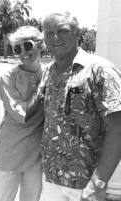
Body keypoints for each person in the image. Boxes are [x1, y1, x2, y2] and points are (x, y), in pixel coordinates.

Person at [28, 11, 121, 201]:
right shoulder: (49, 71)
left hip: (86, 185)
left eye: (62, 31)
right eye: (49, 33)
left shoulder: (99, 70)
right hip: (52, 179)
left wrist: (99, 183)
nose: (55, 37)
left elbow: (118, 127)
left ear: (77, 33)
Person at [0, 26, 44, 201]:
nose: (23, 52)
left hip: (36, 154)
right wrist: (42, 88)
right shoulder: (8, 76)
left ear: (40, 45)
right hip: (10, 149)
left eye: (27, 45)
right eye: (17, 48)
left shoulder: (50, 73)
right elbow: (21, 114)